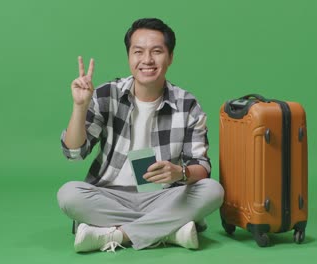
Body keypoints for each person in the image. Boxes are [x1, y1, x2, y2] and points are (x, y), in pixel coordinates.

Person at [57, 18, 224, 253]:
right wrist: (79, 106)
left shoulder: (187, 104)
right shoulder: (108, 94)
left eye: (157, 51)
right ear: (129, 57)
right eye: (138, 52)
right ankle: (171, 230)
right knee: (68, 195)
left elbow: (202, 166)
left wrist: (180, 172)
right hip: (111, 195)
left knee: (212, 190)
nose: (147, 60)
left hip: (164, 196)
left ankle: (115, 235)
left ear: (170, 57)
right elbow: (74, 152)